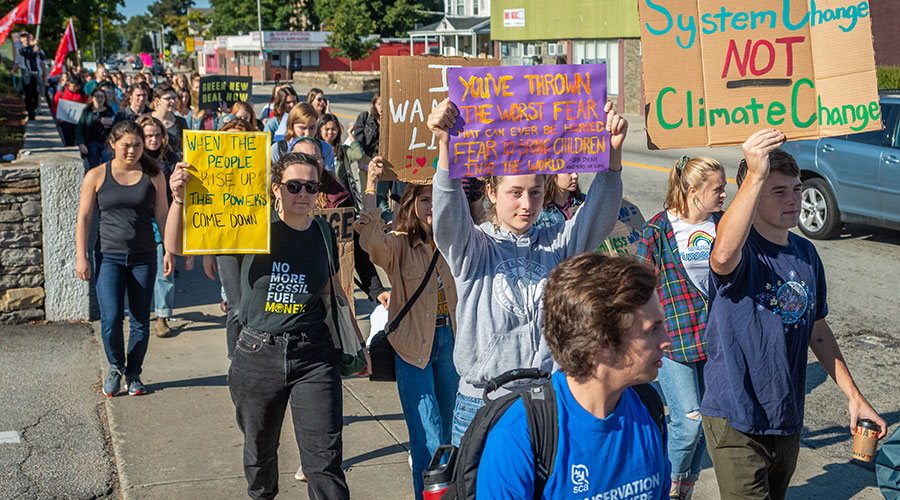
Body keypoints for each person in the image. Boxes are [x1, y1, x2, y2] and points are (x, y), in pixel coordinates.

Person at [164, 152, 369, 500]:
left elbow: (331, 288)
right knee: (259, 457)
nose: (303, 193)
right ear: (276, 189)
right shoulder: (250, 226)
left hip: (313, 355)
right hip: (258, 355)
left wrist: (355, 339)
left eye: (310, 185)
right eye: (293, 186)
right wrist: (180, 199)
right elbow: (174, 244)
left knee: (324, 461)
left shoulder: (321, 231)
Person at [426, 98, 627, 444]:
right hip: (482, 402)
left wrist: (612, 160)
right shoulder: (473, 248)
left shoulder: (558, 243)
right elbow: (448, 217)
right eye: (515, 192)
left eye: (535, 193)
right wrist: (445, 146)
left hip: (545, 400)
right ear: (491, 191)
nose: (526, 204)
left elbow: (599, 213)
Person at [701, 129, 887, 499]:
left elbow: (817, 328)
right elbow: (722, 257)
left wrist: (854, 396)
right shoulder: (742, 251)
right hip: (735, 418)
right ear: (754, 195)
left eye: (797, 190)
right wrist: (754, 175)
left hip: (786, 417)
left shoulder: (806, 254)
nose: (794, 200)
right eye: (779, 191)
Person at [477, 253, 672, 499]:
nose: (667, 340)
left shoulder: (648, 405)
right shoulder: (518, 437)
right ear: (602, 343)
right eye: (652, 330)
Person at [356, 162, 459, 500]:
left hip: (453, 346)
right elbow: (371, 240)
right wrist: (371, 184)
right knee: (427, 438)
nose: (432, 206)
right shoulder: (400, 244)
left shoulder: (458, 240)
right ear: (412, 204)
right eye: (425, 200)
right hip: (413, 348)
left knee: (452, 436)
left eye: (437, 198)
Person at [636, 156, 727, 500]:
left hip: (715, 340)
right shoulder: (659, 229)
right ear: (692, 191)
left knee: (706, 425)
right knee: (687, 425)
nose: (723, 194)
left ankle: (683, 492)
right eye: (717, 189)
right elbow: (641, 287)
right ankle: (666, 488)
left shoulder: (723, 224)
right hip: (675, 341)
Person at [75, 120, 171, 397]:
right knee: (111, 318)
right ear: (112, 145)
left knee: (141, 319)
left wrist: (168, 250)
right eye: (126, 145)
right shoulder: (96, 175)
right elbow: (83, 218)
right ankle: (116, 366)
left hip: (144, 256)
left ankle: (134, 372)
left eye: (138, 145)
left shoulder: (154, 174)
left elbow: (163, 215)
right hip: (108, 256)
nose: (132, 151)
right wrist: (82, 256)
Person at [137, 114, 182, 339]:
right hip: (138, 220)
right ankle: (141, 313)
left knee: (165, 267)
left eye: (157, 135)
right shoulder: (134, 157)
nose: (153, 140)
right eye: (148, 136)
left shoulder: (170, 158)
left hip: (163, 219)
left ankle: (162, 316)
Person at [317, 113, 363, 205]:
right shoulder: (315, 149)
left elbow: (358, 154)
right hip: (319, 197)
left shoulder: (343, 150)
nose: (330, 132)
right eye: (327, 129)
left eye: (333, 129)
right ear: (320, 130)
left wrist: (350, 134)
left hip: (339, 199)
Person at [271, 103, 334, 170]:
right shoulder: (278, 149)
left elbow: (329, 178)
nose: (307, 133)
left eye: (312, 128)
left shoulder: (325, 149)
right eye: (302, 128)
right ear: (292, 126)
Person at [76, 87, 116, 171]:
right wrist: (81, 143)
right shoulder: (87, 111)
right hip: (91, 144)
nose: (100, 99)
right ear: (92, 98)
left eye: (102, 96)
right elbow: (80, 127)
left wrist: (111, 123)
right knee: (94, 168)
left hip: (106, 143)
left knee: (108, 167)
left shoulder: (109, 110)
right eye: (97, 96)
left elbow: (117, 125)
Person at [150, 84, 188, 152]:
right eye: (168, 99)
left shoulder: (181, 122)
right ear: (157, 101)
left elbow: (186, 148)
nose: (172, 101)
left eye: (174, 98)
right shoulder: (146, 120)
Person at [17, 32, 44, 120]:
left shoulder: (33, 48)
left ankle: (33, 109)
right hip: (26, 74)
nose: (25, 39)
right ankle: (30, 114)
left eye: (27, 37)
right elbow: (25, 54)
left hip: (34, 73)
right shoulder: (20, 48)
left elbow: (42, 57)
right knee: (28, 94)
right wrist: (33, 50)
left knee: (36, 93)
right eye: (23, 37)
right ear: (21, 39)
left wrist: (38, 50)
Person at [56, 72, 87, 146]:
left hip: (78, 122)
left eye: (78, 86)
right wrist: (59, 117)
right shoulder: (62, 93)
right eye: (74, 86)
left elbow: (86, 105)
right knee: (68, 140)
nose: (76, 88)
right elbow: (55, 106)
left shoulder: (82, 94)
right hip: (65, 121)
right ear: (69, 83)